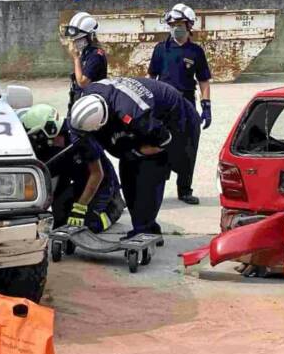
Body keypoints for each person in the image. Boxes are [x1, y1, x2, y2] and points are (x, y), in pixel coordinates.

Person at [68, 75, 198, 239]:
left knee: (147, 173)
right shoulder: (82, 104)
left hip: (173, 117)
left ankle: (145, 230)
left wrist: (137, 152)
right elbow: (92, 157)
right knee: (127, 170)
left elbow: (163, 141)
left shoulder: (134, 115)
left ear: (102, 124)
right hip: (136, 116)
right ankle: (145, 227)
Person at [18, 104, 124, 233]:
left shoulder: (80, 139)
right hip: (78, 182)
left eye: (36, 134)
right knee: (58, 220)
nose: (35, 139)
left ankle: (115, 206)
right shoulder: (49, 145)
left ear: (49, 129)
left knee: (88, 225)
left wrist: (80, 207)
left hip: (101, 184)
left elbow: (97, 174)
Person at [147, 3, 213, 205]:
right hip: (163, 104)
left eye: (180, 24)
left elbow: (203, 81)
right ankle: (155, 189)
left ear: (189, 25)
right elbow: (151, 77)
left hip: (186, 103)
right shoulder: (160, 49)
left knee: (188, 147)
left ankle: (184, 190)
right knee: (160, 145)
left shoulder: (196, 52)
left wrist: (206, 106)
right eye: (173, 24)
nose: (176, 28)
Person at [62, 12, 107, 105]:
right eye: (74, 39)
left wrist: (76, 58)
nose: (75, 42)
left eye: (79, 39)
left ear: (91, 36)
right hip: (81, 99)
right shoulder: (86, 52)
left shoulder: (95, 55)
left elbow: (82, 82)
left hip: (91, 102)